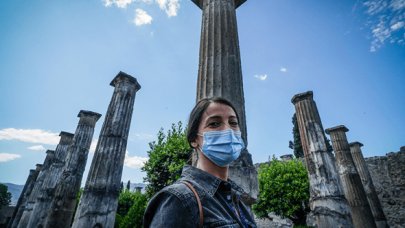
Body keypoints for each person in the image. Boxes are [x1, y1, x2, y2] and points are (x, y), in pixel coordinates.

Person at [143, 97, 257, 227]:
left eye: (233, 123)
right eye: (214, 124)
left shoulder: (238, 199)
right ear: (193, 139)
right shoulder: (178, 199)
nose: (228, 130)